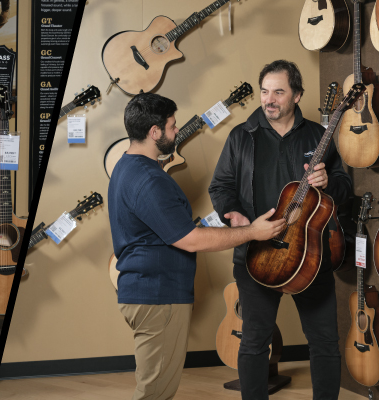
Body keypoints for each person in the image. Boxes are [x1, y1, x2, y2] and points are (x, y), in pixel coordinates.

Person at [109, 93, 286, 400]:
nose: (177, 131)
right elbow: (188, 240)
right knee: (155, 393)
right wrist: (253, 232)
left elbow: (165, 231)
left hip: (146, 293)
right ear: (154, 132)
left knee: (155, 386)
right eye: (172, 126)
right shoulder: (149, 179)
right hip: (158, 298)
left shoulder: (126, 168)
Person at [208, 60, 353, 400]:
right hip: (255, 255)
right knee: (255, 341)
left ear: (297, 95)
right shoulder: (240, 136)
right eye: (264, 91)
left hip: (310, 257)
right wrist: (236, 217)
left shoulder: (319, 135)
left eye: (278, 92)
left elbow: (345, 187)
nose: (269, 99)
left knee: (324, 343)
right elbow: (221, 186)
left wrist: (329, 181)